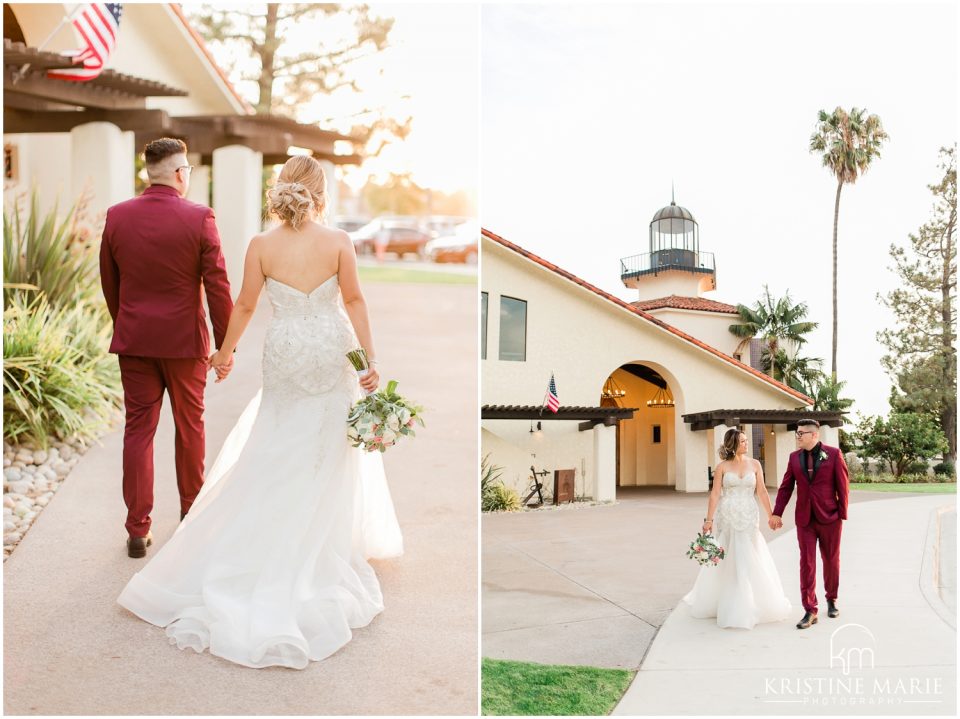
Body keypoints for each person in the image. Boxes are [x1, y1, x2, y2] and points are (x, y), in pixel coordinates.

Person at [117, 154, 404, 669]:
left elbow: (246, 305)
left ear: (281, 190)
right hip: (329, 351)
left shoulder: (261, 245)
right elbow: (354, 302)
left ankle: (250, 540)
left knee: (275, 438)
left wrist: (223, 354)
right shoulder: (339, 242)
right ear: (319, 192)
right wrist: (368, 362)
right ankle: (313, 542)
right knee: (324, 446)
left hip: (287, 353)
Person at [100, 138, 234, 558]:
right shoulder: (199, 217)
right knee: (190, 427)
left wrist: (129, 321)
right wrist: (225, 347)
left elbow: (110, 281)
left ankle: (137, 530)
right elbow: (218, 286)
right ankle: (191, 519)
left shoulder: (118, 216)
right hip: (185, 344)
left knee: (138, 430)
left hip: (136, 341)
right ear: (180, 173)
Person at [681, 428, 792, 629]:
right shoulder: (722, 467)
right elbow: (715, 494)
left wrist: (771, 515)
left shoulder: (755, 464)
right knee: (729, 557)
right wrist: (709, 520)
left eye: (747, 440)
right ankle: (726, 601)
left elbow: (762, 491)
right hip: (728, 516)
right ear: (733, 444)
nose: (746, 443)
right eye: (742, 441)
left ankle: (751, 601)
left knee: (750, 555)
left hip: (749, 515)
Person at [769, 418, 849, 629]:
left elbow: (843, 486)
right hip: (805, 519)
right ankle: (810, 609)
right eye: (797, 433)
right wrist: (777, 512)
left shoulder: (833, 454)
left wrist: (842, 514)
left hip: (830, 518)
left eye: (801, 433)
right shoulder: (794, 458)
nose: (798, 436)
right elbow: (786, 487)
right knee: (807, 563)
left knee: (831, 560)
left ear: (814, 435)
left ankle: (831, 599)